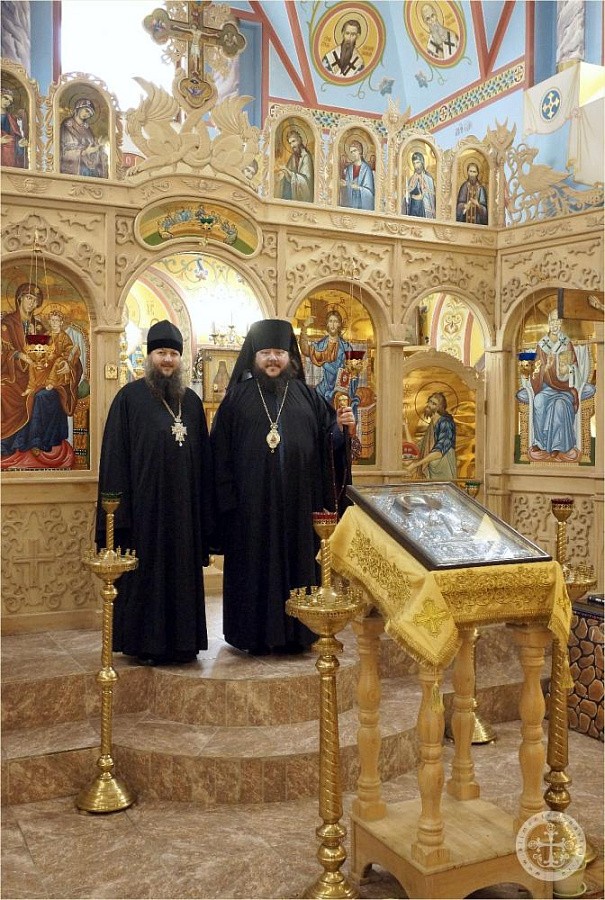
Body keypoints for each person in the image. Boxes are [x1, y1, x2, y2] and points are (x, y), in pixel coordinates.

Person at [210, 318, 355, 655]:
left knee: (297, 568)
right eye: (265, 353)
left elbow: (328, 446)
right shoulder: (236, 400)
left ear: (290, 357)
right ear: (254, 357)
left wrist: (341, 431)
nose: (272, 359)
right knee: (254, 570)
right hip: (250, 511)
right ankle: (253, 636)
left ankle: (298, 634)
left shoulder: (308, 397)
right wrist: (229, 503)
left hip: (299, 508)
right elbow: (219, 456)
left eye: (278, 352)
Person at [96, 320, 215, 665]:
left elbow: (204, 462)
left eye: (173, 354)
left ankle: (184, 643)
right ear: (149, 356)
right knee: (146, 575)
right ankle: (145, 644)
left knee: (181, 575)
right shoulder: (129, 398)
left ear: (181, 359)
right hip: (144, 512)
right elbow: (115, 457)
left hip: (184, 512)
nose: (167, 360)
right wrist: (117, 517)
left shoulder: (191, 403)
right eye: (161, 353)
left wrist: (204, 516)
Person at [1, 283, 82, 465]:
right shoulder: (7, 324)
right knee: (3, 392)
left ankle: (34, 442)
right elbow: (2, 352)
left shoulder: (39, 326)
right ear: (19, 299)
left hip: (40, 375)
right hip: (14, 375)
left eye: (35, 300)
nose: (32, 303)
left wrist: (68, 365)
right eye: (28, 298)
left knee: (43, 395)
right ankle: (6, 445)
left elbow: (56, 351)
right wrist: (19, 355)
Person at [521, 310, 584, 462]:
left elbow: (575, 369)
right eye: (553, 321)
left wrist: (567, 370)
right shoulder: (542, 345)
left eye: (558, 321)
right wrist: (546, 367)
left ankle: (558, 445)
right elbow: (535, 370)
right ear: (548, 323)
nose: (555, 324)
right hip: (546, 388)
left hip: (565, 389)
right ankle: (541, 443)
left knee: (560, 406)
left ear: (561, 323)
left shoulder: (566, 343)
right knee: (538, 401)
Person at [299, 309, 352, 406]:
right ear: (327, 324)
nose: (333, 325)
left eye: (335, 321)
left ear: (339, 324)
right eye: (330, 321)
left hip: (340, 388)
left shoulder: (346, 347)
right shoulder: (321, 345)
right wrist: (304, 328)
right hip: (324, 386)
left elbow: (351, 370)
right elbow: (306, 350)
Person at [402, 391, 457, 480]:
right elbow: (417, 448)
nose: (429, 405)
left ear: (440, 408)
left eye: (434, 404)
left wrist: (415, 465)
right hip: (432, 469)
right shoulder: (431, 426)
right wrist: (405, 426)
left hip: (444, 468)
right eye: (430, 402)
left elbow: (439, 452)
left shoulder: (446, 423)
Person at [60, 97, 108, 178]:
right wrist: (84, 152)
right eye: (86, 110)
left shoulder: (87, 128)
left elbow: (91, 145)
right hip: (73, 166)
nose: (87, 115)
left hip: (87, 164)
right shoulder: (67, 125)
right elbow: (64, 150)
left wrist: (97, 146)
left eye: (90, 114)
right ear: (79, 107)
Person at [276, 129, 314, 202]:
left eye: (293, 141)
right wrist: (284, 172)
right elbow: (288, 177)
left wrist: (289, 172)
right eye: (290, 143)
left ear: (299, 140)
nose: (292, 145)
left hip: (304, 196)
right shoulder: (293, 157)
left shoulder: (306, 157)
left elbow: (306, 181)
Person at [340, 139, 375, 210]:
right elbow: (347, 187)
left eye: (355, 151)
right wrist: (344, 185)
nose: (353, 153)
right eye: (351, 152)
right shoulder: (349, 169)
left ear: (360, 151)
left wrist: (359, 188)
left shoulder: (366, 169)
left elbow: (370, 193)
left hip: (361, 205)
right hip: (350, 204)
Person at [403, 150, 436, 218]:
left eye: (418, 162)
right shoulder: (411, 179)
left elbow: (431, 198)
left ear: (422, 162)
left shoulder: (428, 178)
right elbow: (407, 196)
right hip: (413, 208)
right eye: (414, 163)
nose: (416, 166)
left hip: (424, 209)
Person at [1, 87, 28, 168]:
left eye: (10, 101)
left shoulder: (11, 119)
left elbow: (15, 138)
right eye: (5, 98)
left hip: (9, 154)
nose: (7, 102)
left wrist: (20, 145)